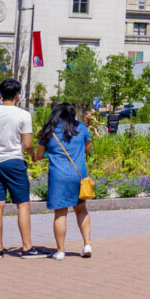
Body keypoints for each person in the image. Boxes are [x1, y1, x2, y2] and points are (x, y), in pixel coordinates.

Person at [0, 79, 48, 258]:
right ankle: (27, 247)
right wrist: (33, 156)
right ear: (17, 95)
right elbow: (27, 143)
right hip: (14, 162)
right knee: (23, 204)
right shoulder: (23, 115)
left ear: (1, 94)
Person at [34, 104, 92, 260]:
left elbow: (39, 155)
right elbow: (87, 149)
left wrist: (50, 153)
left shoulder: (48, 131)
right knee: (81, 210)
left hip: (58, 176)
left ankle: (60, 251)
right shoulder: (81, 128)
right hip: (79, 175)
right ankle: (87, 244)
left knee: (60, 213)